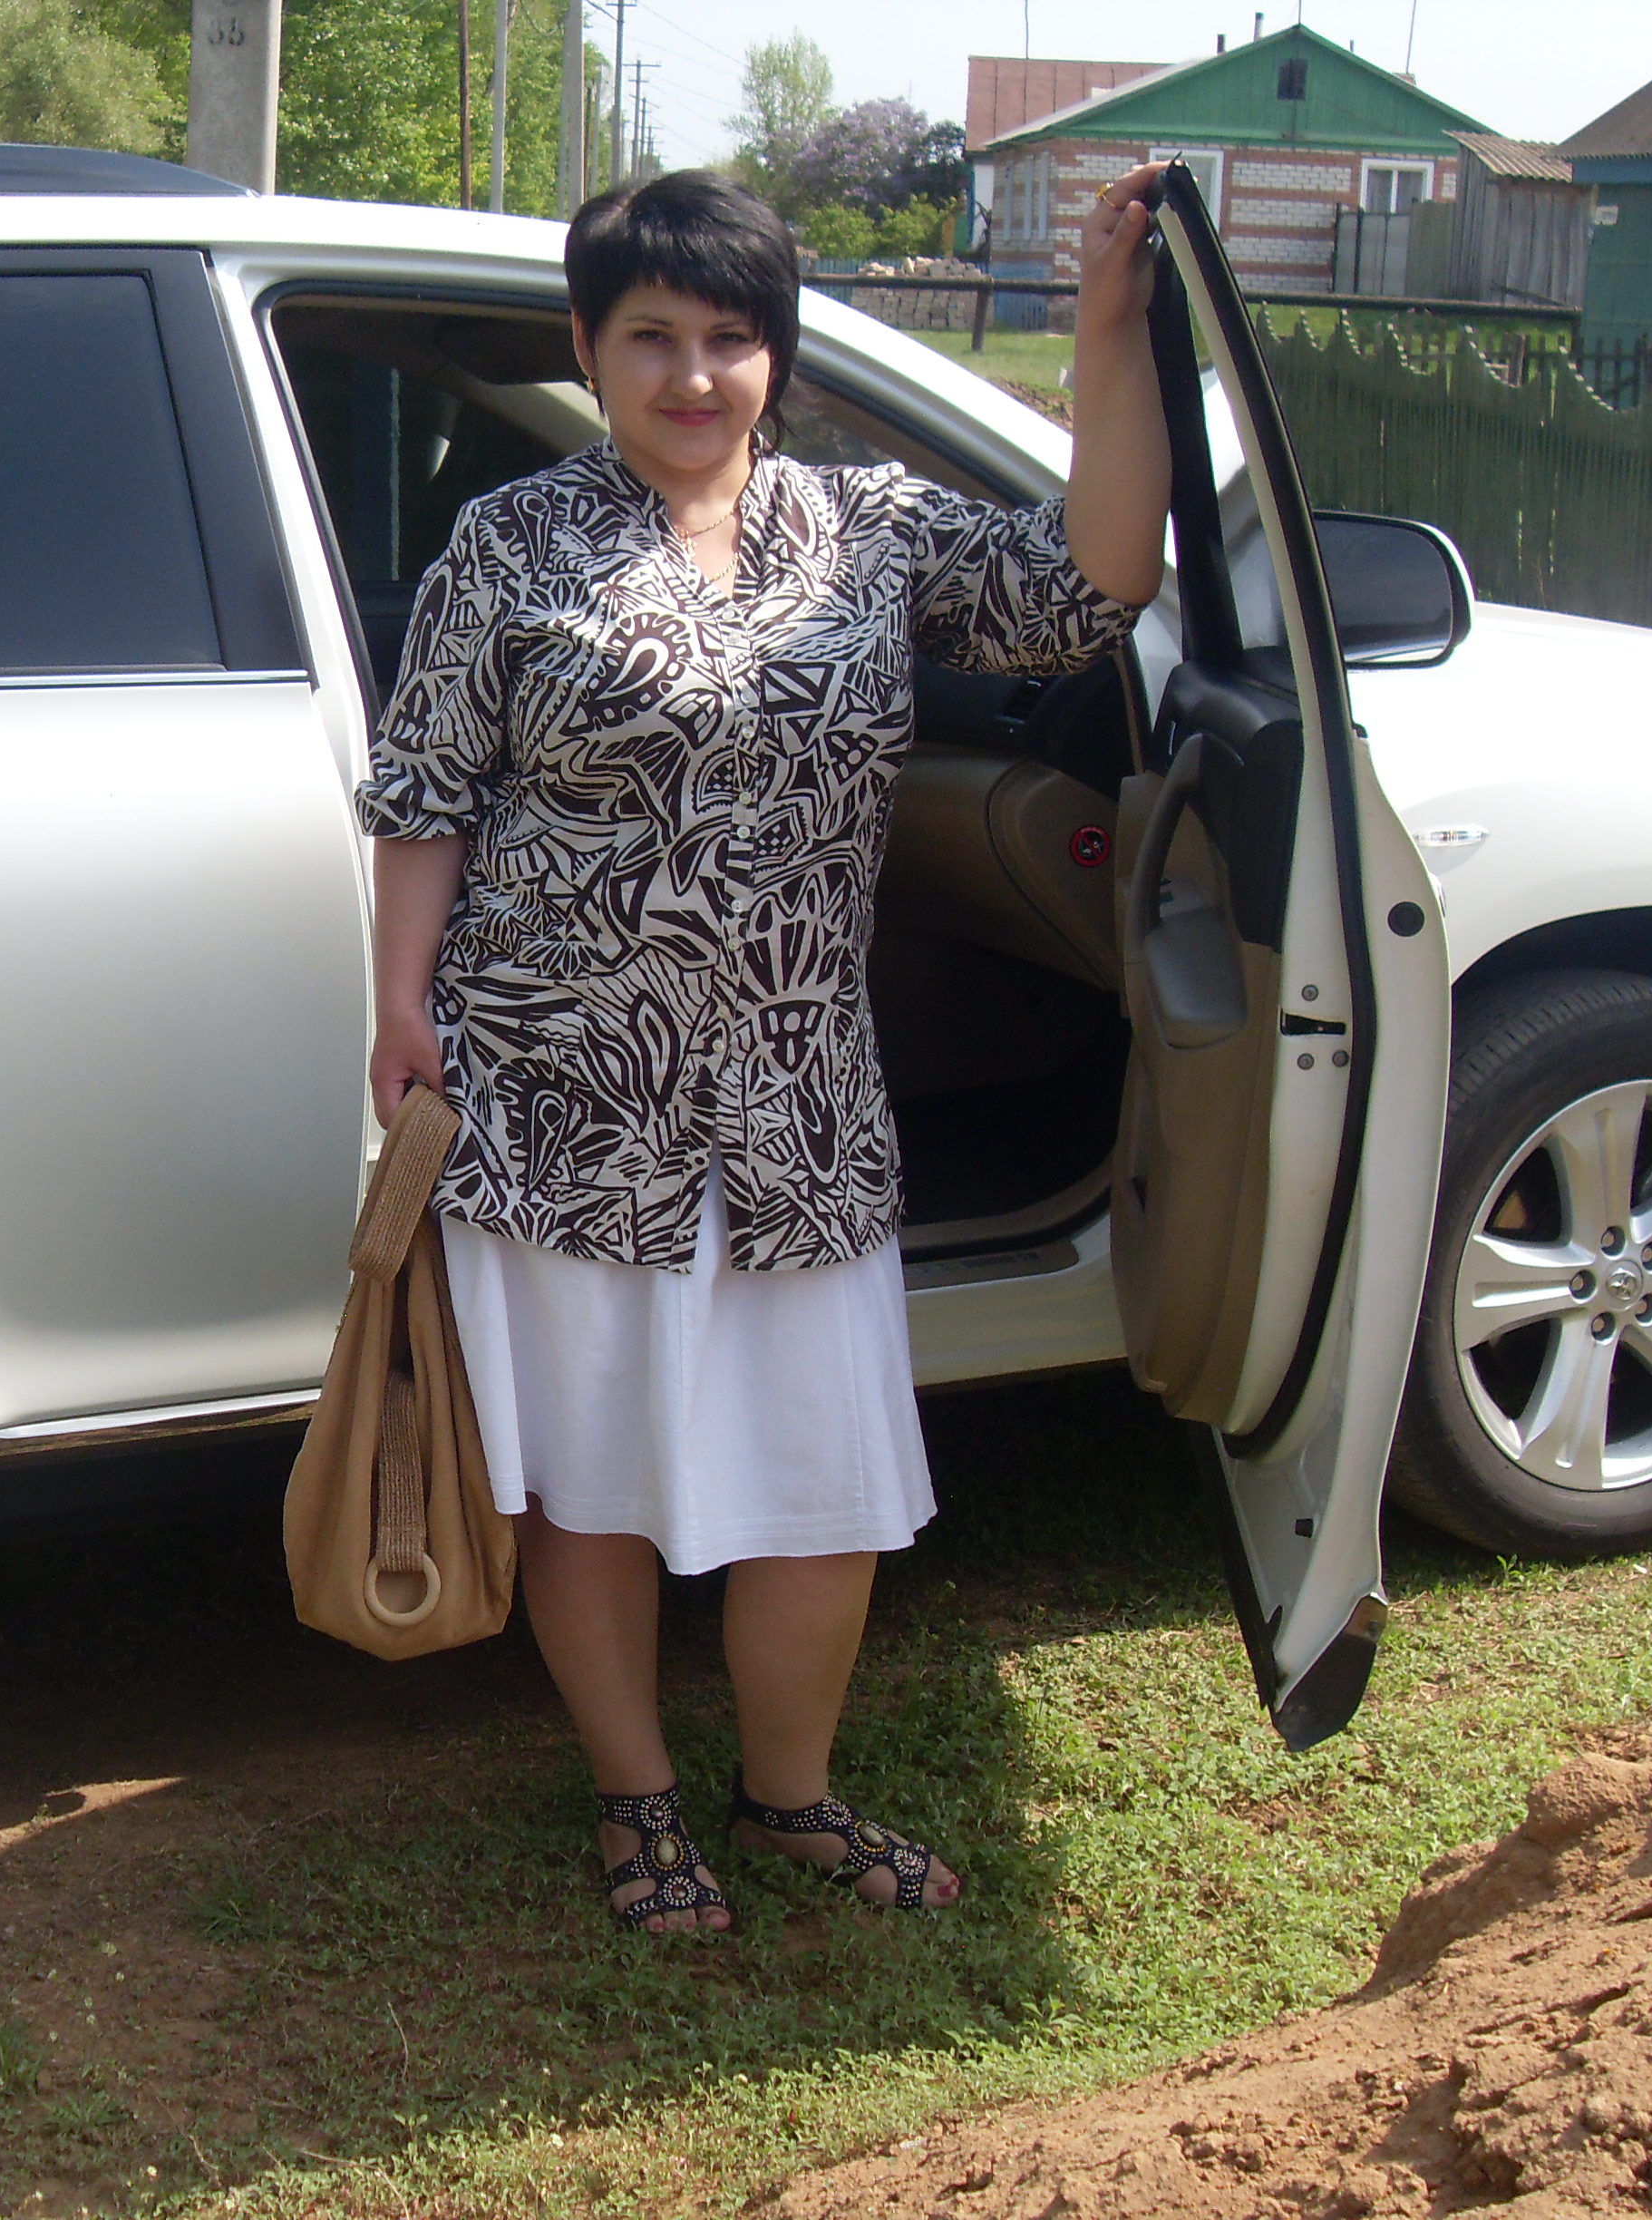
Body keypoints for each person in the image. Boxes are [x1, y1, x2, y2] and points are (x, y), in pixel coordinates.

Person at [356, 166, 1173, 1933]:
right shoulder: (509, 542)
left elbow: (1091, 583)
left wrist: (1110, 341)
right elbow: (426, 789)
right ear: (588, 348)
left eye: (731, 338)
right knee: (588, 1482)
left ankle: (789, 1795)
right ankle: (635, 1802)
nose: (693, 375)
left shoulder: (867, 527)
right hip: (564, 1089)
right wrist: (399, 1004)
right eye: (650, 336)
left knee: (826, 1482)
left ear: (777, 357)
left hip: (802, 1097)